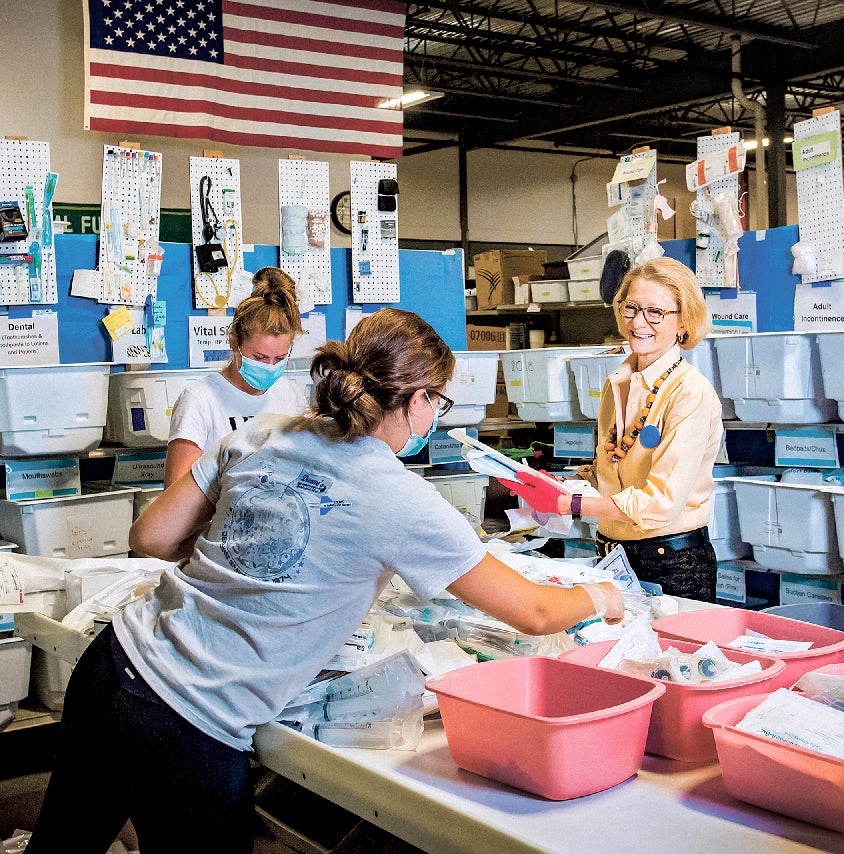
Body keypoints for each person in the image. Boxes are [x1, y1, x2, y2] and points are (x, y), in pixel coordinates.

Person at [26, 309, 623, 854]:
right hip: (194, 717)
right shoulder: (402, 498)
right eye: (437, 402)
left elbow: (151, 537)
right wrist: (601, 594)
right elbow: (534, 613)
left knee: (61, 846)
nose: (434, 417)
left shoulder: (264, 431)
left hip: (114, 665)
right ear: (416, 400)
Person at [502, 258, 724, 602]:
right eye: (631, 307)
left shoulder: (689, 393)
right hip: (612, 553)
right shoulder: (618, 381)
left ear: (683, 320)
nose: (638, 322)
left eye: (655, 312)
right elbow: (611, 468)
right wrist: (563, 484)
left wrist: (571, 505)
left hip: (671, 562)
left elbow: (660, 504)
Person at [163, 267, 308, 486]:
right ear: (234, 342)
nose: (269, 367)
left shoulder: (291, 395)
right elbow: (175, 494)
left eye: (279, 359)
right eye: (259, 358)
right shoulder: (199, 400)